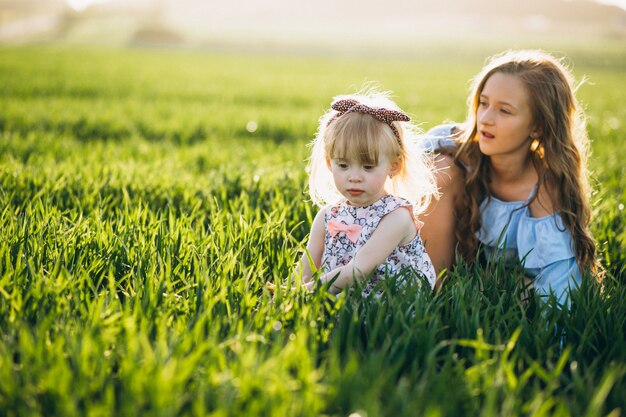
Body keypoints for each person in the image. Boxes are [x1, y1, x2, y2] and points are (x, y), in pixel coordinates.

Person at [420, 49, 600, 305]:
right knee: (442, 170)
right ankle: (432, 296)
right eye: (483, 103)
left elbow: (560, 283)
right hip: (425, 263)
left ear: (537, 126)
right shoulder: (448, 149)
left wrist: (559, 341)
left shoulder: (544, 187)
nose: (485, 119)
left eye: (504, 111)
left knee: (529, 291)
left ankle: (467, 290)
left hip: (491, 278)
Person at [287, 89, 439, 296]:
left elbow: (359, 271)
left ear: (393, 166)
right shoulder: (327, 216)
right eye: (343, 165)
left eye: (368, 167)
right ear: (330, 163)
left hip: (390, 304)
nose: (355, 176)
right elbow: (306, 268)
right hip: (339, 296)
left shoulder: (396, 216)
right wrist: (285, 293)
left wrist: (301, 294)